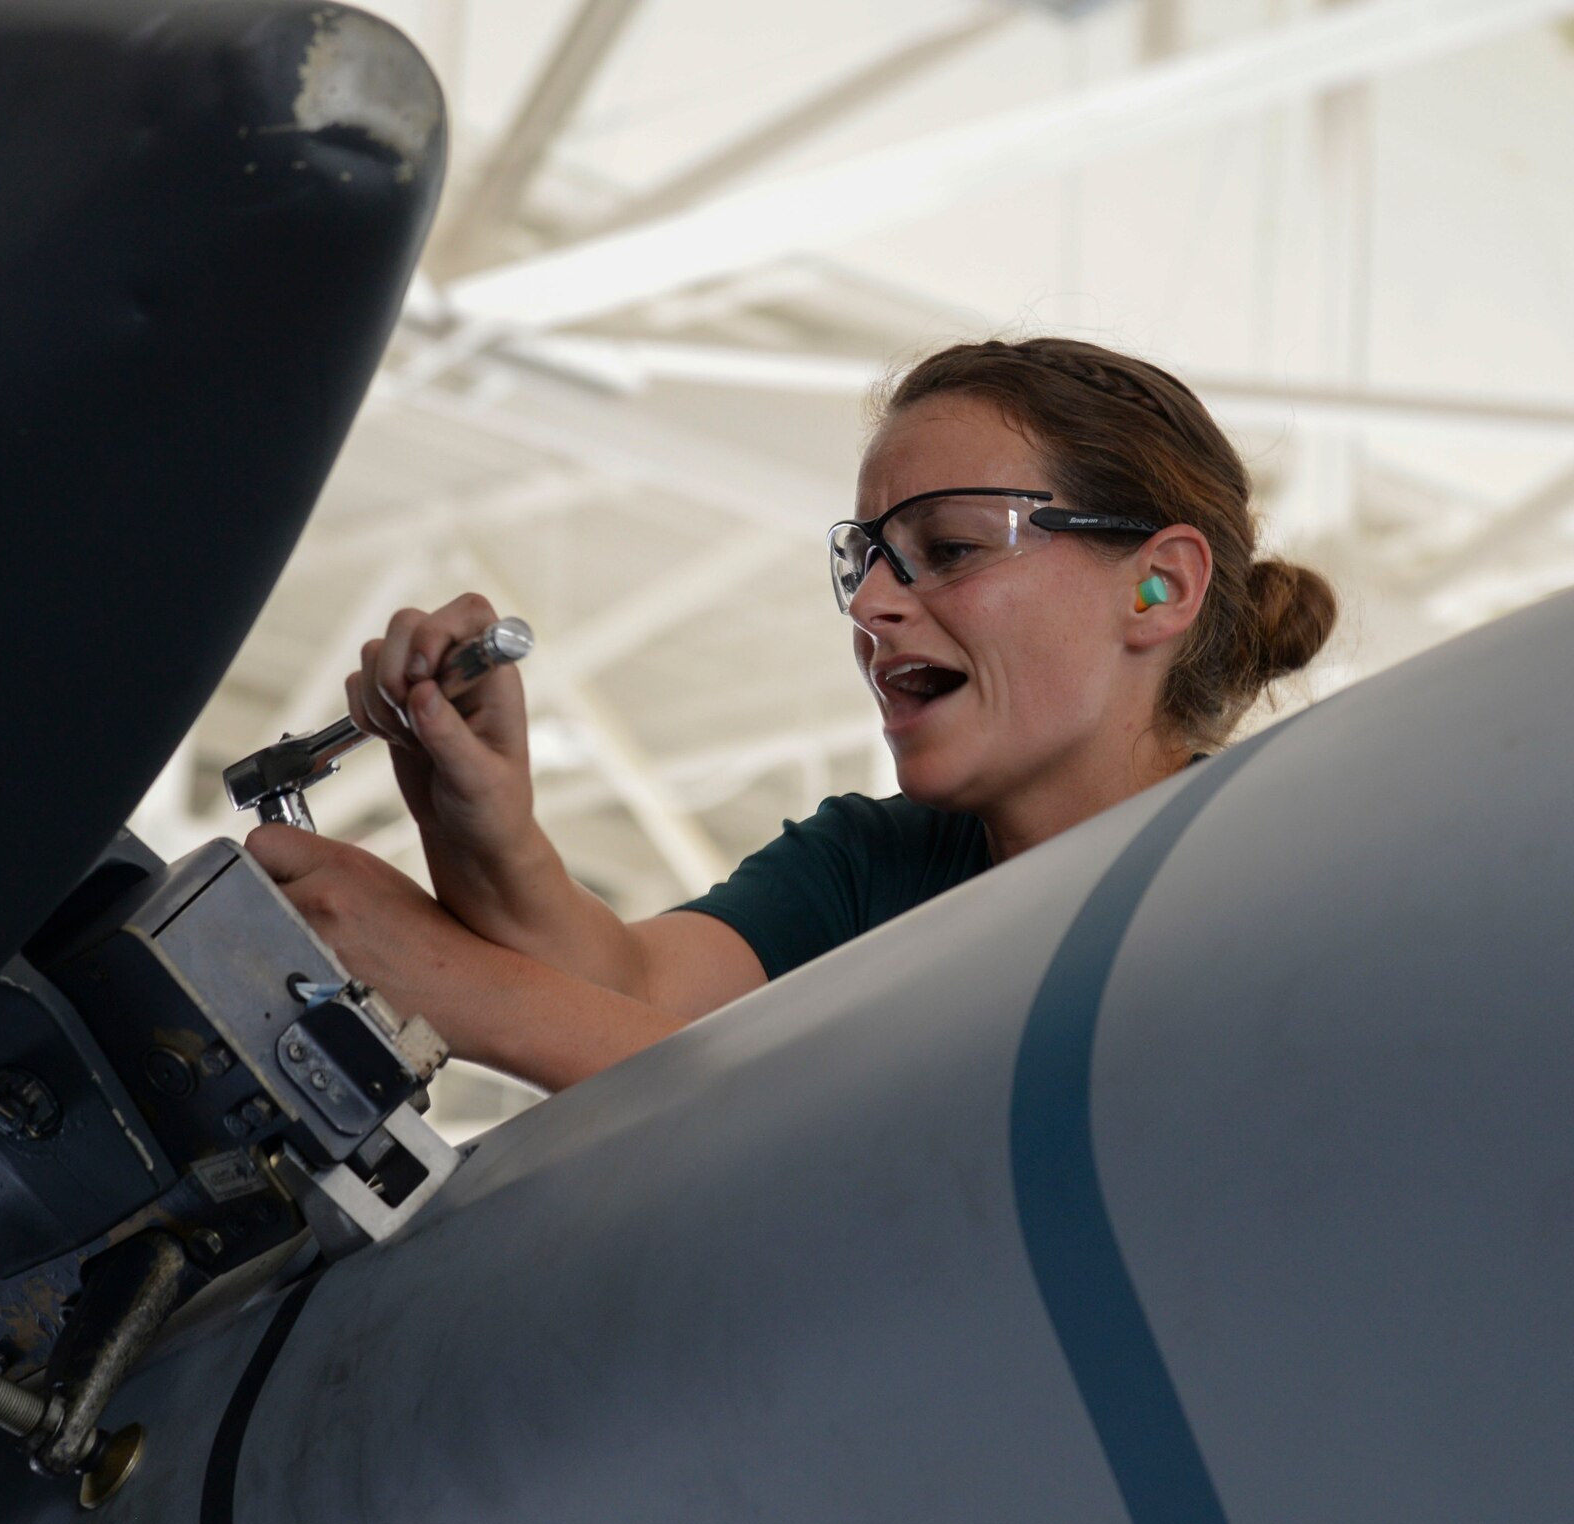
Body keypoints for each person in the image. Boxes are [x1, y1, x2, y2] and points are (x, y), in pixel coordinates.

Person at [244, 338, 1337, 1090]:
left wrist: (441, 977)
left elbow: (904, 1143)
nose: (868, 605)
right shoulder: (875, 859)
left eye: (948, 548)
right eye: (863, 562)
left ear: (1158, 588)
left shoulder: (1263, 877)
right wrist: (476, 813)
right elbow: (628, 994)